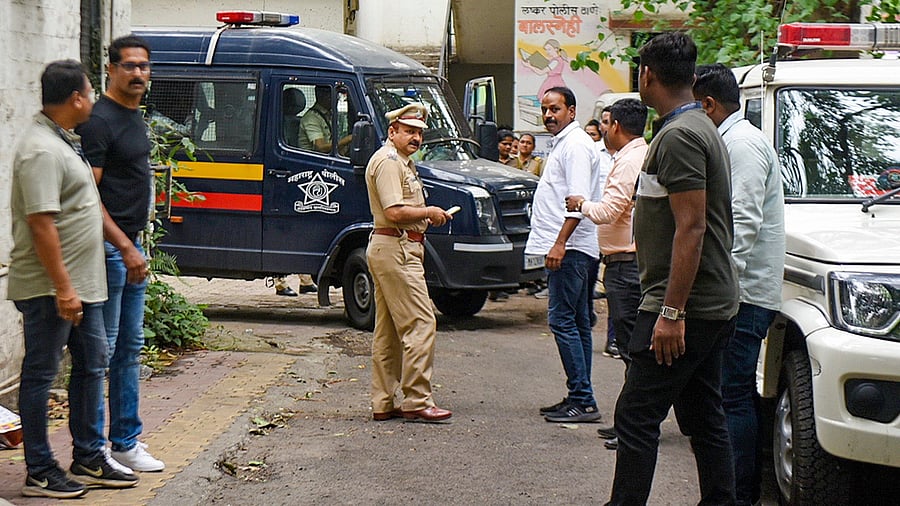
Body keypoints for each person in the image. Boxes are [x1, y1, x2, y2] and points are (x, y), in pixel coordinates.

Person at [607, 33, 739, 505]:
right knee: (703, 414)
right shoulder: (695, 125)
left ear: (648, 75)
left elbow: (692, 228)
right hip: (706, 303)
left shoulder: (682, 135)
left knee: (636, 415)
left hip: (685, 305)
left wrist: (671, 314)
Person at [10, 60, 139, 499]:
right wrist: (63, 287)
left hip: (84, 284)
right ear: (76, 99)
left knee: (92, 364)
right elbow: (42, 223)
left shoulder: (64, 142)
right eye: (90, 91)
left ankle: (87, 455)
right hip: (53, 288)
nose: (95, 100)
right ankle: (40, 471)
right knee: (41, 374)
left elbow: (83, 207)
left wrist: (121, 247)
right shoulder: (41, 150)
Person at [694, 63, 784, 506]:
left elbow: (742, 223)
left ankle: (737, 496)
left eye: (696, 107)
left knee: (732, 395)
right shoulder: (732, 140)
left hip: (743, 294)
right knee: (730, 394)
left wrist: (718, 287)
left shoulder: (742, 145)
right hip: (739, 291)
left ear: (708, 104)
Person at [76, 35, 165, 473]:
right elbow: (88, 196)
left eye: (143, 67)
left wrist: (137, 245)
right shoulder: (98, 120)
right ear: (111, 69)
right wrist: (125, 247)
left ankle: (126, 442)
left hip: (133, 246)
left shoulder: (134, 118)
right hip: (109, 251)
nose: (137, 74)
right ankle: (94, 453)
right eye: (129, 66)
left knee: (129, 349)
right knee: (102, 352)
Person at [566, 98, 648, 450]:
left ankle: (632, 428)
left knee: (632, 351)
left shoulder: (629, 160)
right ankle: (628, 423)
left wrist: (581, 205)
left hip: (627, 265)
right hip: (626, 263)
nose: (602, 130)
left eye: (605, 123)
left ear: (615, 125)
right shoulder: (634, 156)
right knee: (632, 349)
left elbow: (611, 210)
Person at [364, 103, 454, 423]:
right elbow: (395, 212)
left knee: (388, 331)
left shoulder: (402, 161)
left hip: (397, 248)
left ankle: (383, 401)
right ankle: (417, 399)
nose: (416, 137)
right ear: (393, 131)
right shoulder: (389, 162)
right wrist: (429, 213)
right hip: (397, 248)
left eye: (419, 132)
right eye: (409, 131)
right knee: (421, 322)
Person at [526, 86, 603, 423]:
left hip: (571, 250)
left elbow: (577, 201)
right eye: (544, 109)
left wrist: (559, 244)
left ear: (571, 111)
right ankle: (579, 395)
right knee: (579, 322)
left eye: (555, 109)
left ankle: (583, 399)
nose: (548, 116)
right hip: (574, 248)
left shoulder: (574, 146)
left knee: (562, 321)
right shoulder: (566, 144)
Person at [299, 84, 352, 154]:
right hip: (314, 160)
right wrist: (348, 139)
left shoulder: (328, 114)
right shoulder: (311, 118)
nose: (337, 99)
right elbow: (321, 148)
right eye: (333, 96)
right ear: (323, 97)